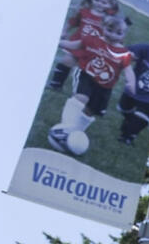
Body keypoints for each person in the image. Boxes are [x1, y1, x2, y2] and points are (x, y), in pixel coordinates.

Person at [47, 14, 134, 155]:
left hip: (105, 88)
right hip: (86, 76)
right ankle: (63, 128)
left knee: (90, 111)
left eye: (118, 33)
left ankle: (74, 135)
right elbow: (74, 45)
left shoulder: (124, 54)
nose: (113, 35)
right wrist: (58, 42)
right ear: (102, 28)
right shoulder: (92, 40)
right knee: (81, 98)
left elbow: (129, 70)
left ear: (124, 35)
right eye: (109, 30)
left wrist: (131, 82)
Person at [47, 0, 120, 92]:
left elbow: (112, 33)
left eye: (104, 2)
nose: (99, 4)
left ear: (110, 5)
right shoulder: (84, 11)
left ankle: (84, 92)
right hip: (77, 44)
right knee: (66, 61)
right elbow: (73, 22)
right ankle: (56, 84)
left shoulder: (109, 18)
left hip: (93, 49)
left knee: (87, 71)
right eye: (97, 0)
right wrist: (65, 31)